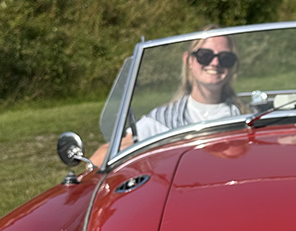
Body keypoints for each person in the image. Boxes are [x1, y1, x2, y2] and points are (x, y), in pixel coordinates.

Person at [90, 29, 243, 165]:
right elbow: (99, 159)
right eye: (205, 56)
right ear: (189, 60)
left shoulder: (246, 115)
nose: (215, 63)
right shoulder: (162, 120)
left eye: (225, 58)